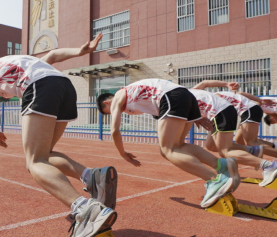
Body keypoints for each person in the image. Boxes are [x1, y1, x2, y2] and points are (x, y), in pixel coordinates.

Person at [0, 33, 118, 237]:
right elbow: (52, 54)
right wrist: (80, 51)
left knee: (34, 162)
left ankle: (84, 209)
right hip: (65, 87)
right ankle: (91, 175)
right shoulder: (19, 60)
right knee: (46, 154)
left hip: (40, 87)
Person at [96, 79, 240, 208]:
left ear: (106, 103)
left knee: (167, 150)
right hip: (186, 97)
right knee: (179, 146)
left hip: (172, 97)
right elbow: (158, 108)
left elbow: (114, 131)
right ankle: (222, 164)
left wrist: (123, 154)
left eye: (109, 112)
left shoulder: (119, 96)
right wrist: (194, 114)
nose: (116, 113)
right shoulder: (136, 95)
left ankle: (214, 180)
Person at [188, 85, 277, 186]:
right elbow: (207, 84)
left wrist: (259, 101)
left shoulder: (209, 97)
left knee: (244, 144)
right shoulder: (205, 96)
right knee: (216, 144)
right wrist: (259, 100)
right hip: (236, 112)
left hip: (244, 110)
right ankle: (261, 149)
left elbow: (208, 87)